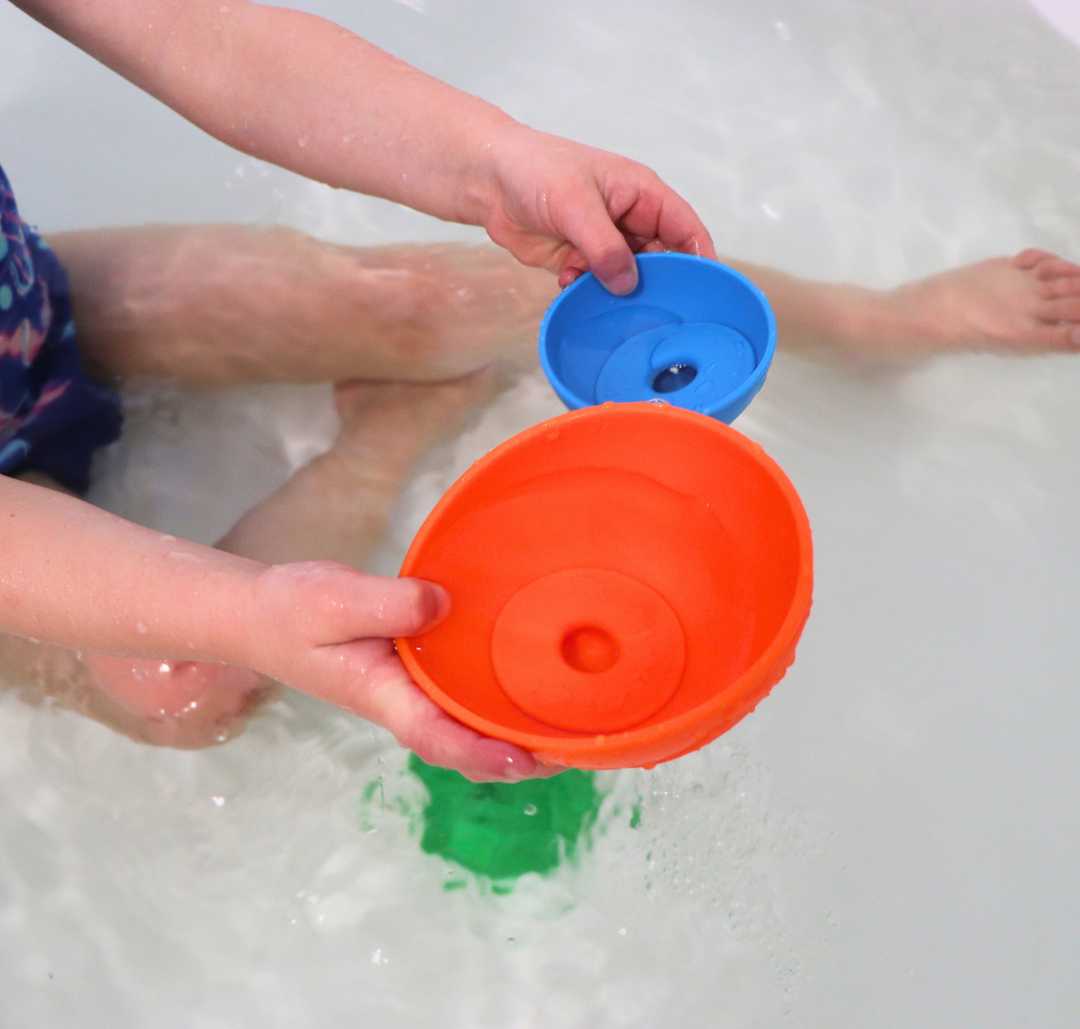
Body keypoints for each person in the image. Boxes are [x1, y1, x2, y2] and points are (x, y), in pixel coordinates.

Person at [3, 2, 1080, 780]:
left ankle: (862, 319)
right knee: (188, 682)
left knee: (437, 300)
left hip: (30, 315)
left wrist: (489, 160)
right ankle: (378, 440)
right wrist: (246, 609)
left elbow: (194, 31)